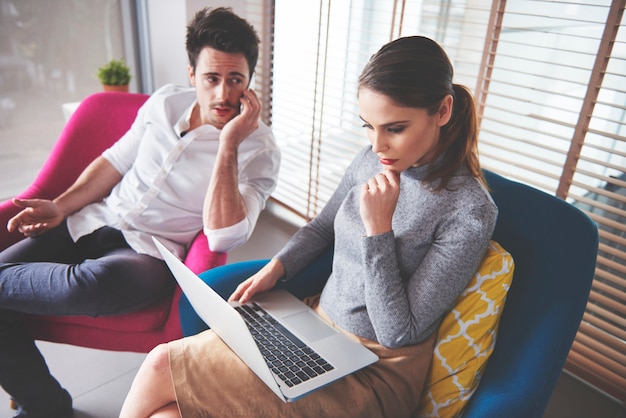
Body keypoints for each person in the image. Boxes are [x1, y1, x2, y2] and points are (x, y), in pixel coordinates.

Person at [119, 35, 498, 418]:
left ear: (443, 110)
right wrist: (275, 269)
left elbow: (398, 333)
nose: (378, 145)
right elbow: (322, 227)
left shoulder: (468, 210)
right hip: (317, 328)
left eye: (395, 128)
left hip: (375, 373)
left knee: (160, 364)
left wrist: (378, 231)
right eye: (368, 126)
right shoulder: (371, 159)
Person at [0, 7, 280, 418]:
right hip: (91, 220)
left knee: (90, 285)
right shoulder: (164, 103)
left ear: (249, 83)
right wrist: (61, 205)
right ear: (191, 75)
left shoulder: (260, 151)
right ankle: (46, 406)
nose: (223, 94)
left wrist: (229, 145)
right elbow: (114, 161)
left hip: (148, 254)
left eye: (235, 80)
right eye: (212, 79)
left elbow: (222, 238)